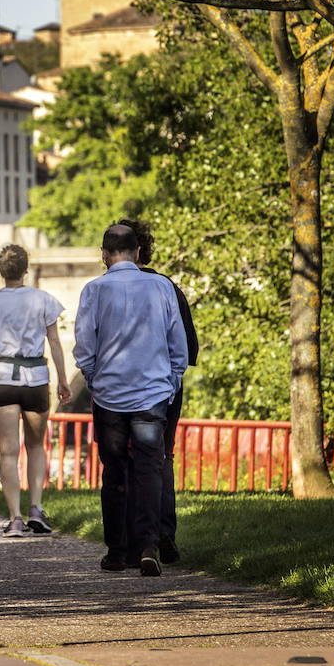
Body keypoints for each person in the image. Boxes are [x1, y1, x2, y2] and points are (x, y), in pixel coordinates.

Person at [73, 223, 187, 577]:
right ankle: (148, 545)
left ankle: (117, 551)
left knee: (115, 472)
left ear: (104, 256)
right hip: (152, 395)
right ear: (138, 253)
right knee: (149, 471)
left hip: (110, 397)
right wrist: (169, 383)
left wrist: (95, 380)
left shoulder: (94, 290)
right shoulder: (161, 286)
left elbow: (84, 346)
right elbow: (177, 344)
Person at [0, 244, 71, 537]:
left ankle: (14, 517)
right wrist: (63, 379)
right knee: (37, 446)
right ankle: (36, 509)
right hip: (36, 379)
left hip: (2, 379)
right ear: (26, 269)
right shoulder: (43, 300)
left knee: (8, 452)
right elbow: (54, 343)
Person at [120, 218, 198, 565]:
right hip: (165, 385)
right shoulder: (168, 287)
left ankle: (132, 539)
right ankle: (164, 534)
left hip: (124, 386)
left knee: (125, 461)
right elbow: (188, 346)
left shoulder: (107, 289)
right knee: (161, 458)